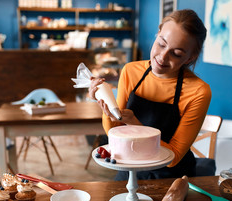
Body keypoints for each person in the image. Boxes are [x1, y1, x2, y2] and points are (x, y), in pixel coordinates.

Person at [89, 9, 211, 180]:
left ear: (190, 58)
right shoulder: (131, 71)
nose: (162, 57)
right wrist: (107, 105)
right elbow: (113, 132)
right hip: (130, 166)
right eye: (161, 43)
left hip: (171, 176)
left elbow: (173, 157)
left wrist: (135, 124)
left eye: (176, 54)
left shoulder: (198, 91)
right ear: (157, 34)